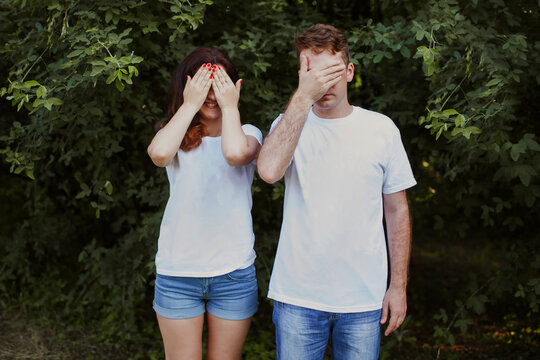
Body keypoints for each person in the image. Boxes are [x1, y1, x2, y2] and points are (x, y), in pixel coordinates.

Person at [257, 24, 417, 359]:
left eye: (331, 72)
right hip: (298, 298)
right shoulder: (288, 125)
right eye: (312, 74)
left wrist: (398, 286)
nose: (323, 84)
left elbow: (397, 211)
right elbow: (269, 172)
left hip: (362, 300)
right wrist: (302, 97)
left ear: (349, 71)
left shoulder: (381, 130)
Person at [147, 47, 262, 360]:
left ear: (234, 88)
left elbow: (235, 154)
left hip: (233, 274)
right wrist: (190, 103)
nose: (212, 95)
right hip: (178, 274)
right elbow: (158, 155)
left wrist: (231, 107)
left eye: (220, 85)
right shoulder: (174, 134)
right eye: (204, 87)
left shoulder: (248, 133)